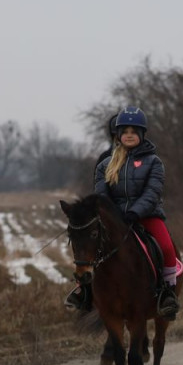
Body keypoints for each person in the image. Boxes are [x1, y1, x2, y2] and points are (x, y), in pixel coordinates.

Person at [94, 106, 180, 319]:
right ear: (119, 135)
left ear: (141, 135)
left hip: (146, 214)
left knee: (168, 247)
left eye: (134, 131)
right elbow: (101, 194)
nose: (129, 135)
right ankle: (85, 291)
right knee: (90, 246)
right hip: (115, 219)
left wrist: (134, 213)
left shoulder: (154, 162)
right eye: (125, 131)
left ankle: (167, 294)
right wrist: (112, 215)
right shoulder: (105, 164)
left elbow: (152, 193)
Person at [64, 112, 119, 311]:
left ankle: (165, 286)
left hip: (138, 212)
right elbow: (100, 189)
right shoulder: (105, 158)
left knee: (159, 243)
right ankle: (84, 290)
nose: (122, 137)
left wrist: (135, 209)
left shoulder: (146, 158)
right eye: (118, 134)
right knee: (89, 245)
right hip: (112, 213)